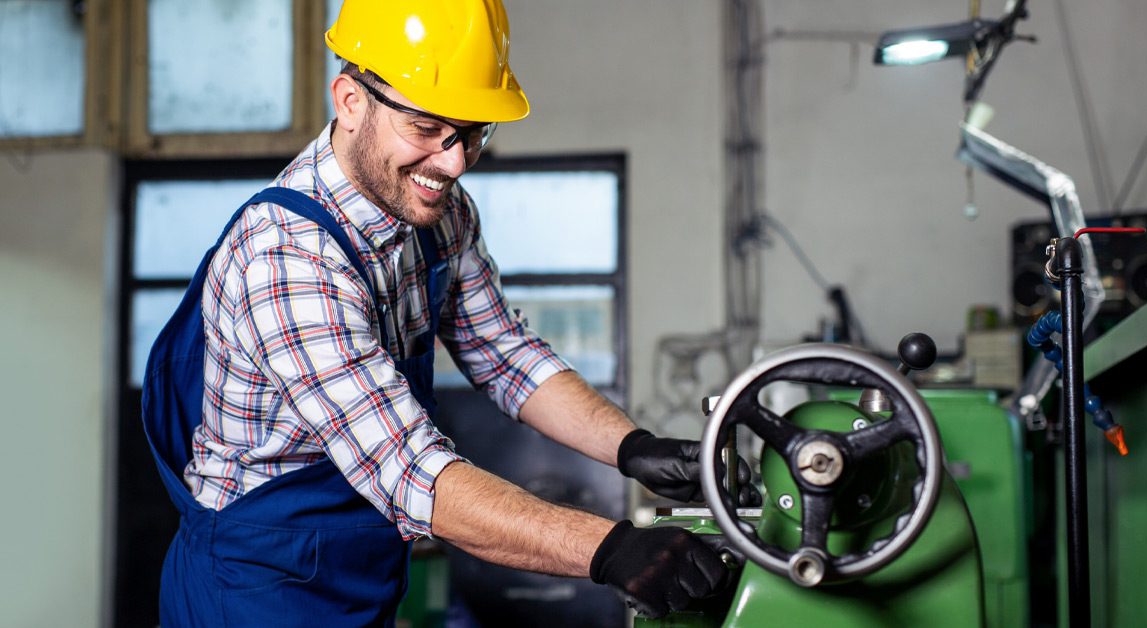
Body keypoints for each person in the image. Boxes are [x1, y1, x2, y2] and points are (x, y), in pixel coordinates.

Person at [143, 0, 757, 625]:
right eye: (426, 128)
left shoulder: (439, 214)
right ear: (350, 101)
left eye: (471, 132)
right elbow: (409, 471)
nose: (454, 161)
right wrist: (611, 549)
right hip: (251, 587)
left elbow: (504, 353)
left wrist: (633, 447)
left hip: (359, 569)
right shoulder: (286, 258)